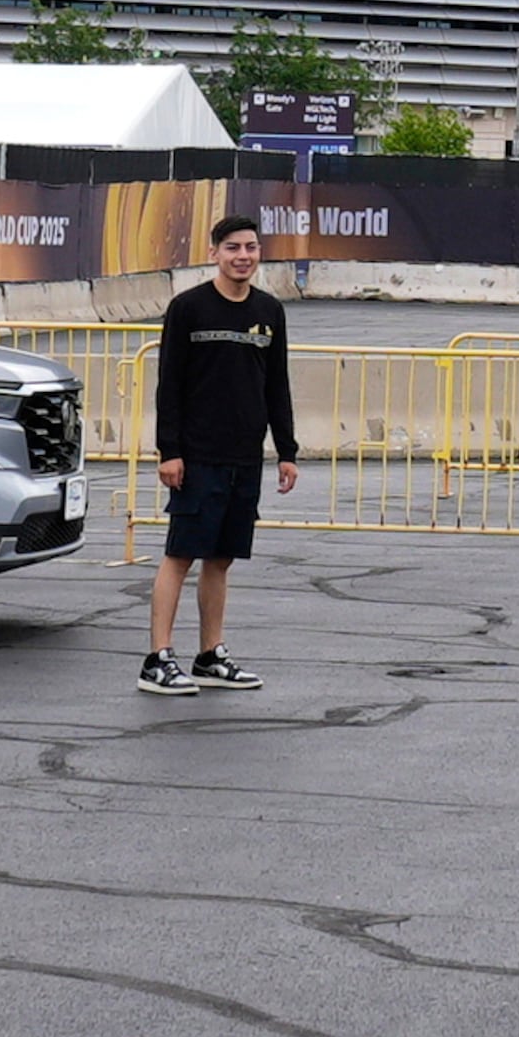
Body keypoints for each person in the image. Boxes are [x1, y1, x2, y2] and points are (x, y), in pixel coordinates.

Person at [144, 213, 299, 696]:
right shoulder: (188, 308)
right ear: (214, 253)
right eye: (232, 248)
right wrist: (170, 451)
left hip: (245, 457)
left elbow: (277, 386)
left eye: (251, 247)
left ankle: (210, 654)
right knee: (181, 554)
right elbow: (169, 384)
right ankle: (158, 658)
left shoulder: (270, 311)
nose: (243, 256)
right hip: (197, 455)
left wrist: (286, 450)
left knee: (221, 558)